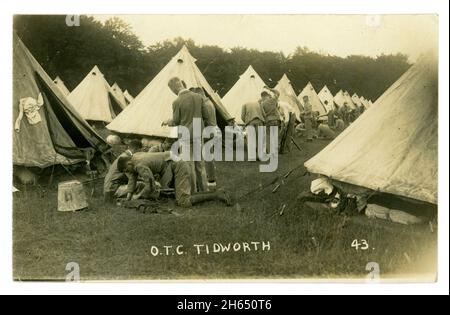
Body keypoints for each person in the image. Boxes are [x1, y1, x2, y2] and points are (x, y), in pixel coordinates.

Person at [117, 152, 233, 208]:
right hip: (174, 162)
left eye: (126, 169)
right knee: (188, 195)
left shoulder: (138, 164)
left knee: (183, 201)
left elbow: (150, 184)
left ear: (128, 163)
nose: (127, 172)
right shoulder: (135, 158)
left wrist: (137, 197)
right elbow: (132, 179)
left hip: (176, 165)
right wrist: (128, 197)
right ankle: (217, 193)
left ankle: (217, 194)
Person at [163, 77, 208, 193]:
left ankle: (193, 192)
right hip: (198, 133)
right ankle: (204, 190)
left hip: (186, 135)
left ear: (174, 88)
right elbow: (205, 115)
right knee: (200, 165)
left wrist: (168, 121)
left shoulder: (177, 102)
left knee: (189, 165)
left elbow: (177, 121)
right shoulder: (198, 97)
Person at [190, 87, 218, 190]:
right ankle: (211, 179)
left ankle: (209, 180)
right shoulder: (209, 103)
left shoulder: (204, 105)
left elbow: (204, 121)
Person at [260, 87, 281, 152]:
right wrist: (270, 89)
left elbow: (262, 114)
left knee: (268, 136)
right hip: (276, 120)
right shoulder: (273, 100)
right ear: (267, 95)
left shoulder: (262, 104)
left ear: (262, 97)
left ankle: (269, 151)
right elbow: (277, 92)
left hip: (268, 120)